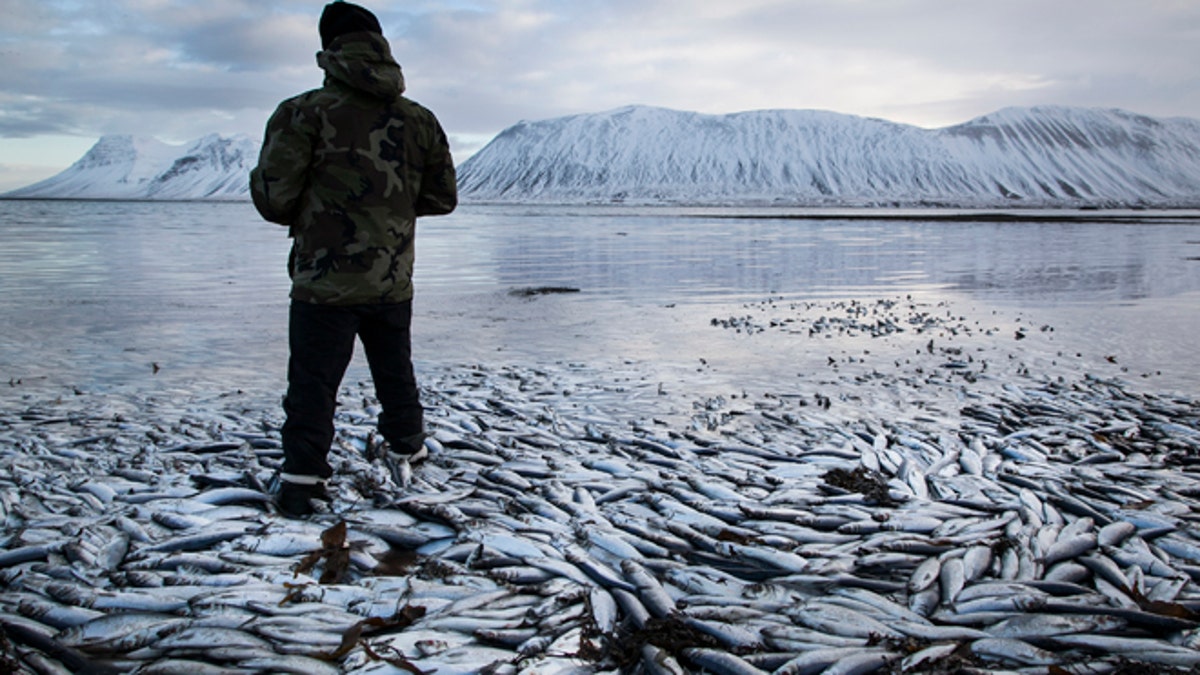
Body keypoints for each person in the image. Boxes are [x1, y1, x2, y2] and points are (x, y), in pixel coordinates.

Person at [250, 1, 457, 517]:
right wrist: (388, 215)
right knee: (395, 369)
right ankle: (409, 445)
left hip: (324, 280)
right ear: (380, 45)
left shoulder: (302, 113)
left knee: (313, 382)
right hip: (391, 277)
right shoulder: (419, 120)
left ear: (329, 50)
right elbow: (442, 198)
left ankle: (302, 482)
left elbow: (275, 200)